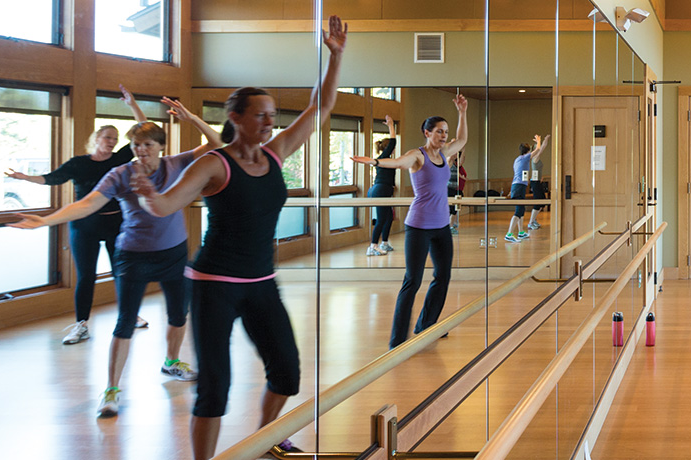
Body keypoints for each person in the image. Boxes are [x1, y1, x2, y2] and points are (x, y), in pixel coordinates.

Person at [130, 16, 345, 459]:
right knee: (215, 388)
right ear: (236, 118)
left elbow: (319, 110)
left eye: (272, 116)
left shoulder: (276, 151)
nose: (269, 122)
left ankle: (264, 442)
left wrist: (336, 56)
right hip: (213, 286)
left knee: (287, 372)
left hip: (260, 282)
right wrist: (148, 195)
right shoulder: (214, 163)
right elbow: (167, 205)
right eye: (260, 115)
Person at [9, 97, 223, 417]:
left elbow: (217, 144)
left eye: (148, 145)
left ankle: (171, 362)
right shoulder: (120, 174)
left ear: (160, 146)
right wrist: (47, 220)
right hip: (133, 256)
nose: (141, 151)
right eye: (136, 145)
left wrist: (192, 117)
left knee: (179, 315)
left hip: (174, 253)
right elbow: (87, 203)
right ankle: (111, 390)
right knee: (124, 323)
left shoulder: (176, 164)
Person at [7, 85, 144, 345]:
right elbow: (52, 178)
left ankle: (129, 316)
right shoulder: (78, 163)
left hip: (116, 223)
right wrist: (25, 178)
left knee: (122, 272)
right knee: (86, 276)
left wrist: (132, 105)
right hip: (85, 226)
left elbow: (144, 129)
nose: (112, 142)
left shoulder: (120, 160)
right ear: (96, 140)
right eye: (107, 138)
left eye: (115, 138)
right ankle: (81, 324)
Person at [354, 94, 471, 349]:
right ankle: (397, 341)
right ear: (427, 133)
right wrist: (374, 161)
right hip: (418, 226)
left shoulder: (445, 154)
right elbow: (397, 163)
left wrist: (462, 112)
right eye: (439, 131)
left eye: (445, 132)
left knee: (443, 277)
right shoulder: (417, 156)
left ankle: (426, 326)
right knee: (413, 280)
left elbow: (461, 140)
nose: (443, 136)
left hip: (441, 227)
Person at [504, 134, 549, 243]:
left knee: (521, 209)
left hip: (519, 186)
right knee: (518, 211)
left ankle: (520, 232)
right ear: (528, 151)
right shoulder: (524, 158)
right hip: (519, 186)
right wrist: (539, 141)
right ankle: (509, 233)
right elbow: (538, 149)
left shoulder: (517, 159)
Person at [368, 116, 398, 256]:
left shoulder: (387, 160)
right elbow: (393, 142)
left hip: (384, 190)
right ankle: (372, 247)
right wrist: (391, 126)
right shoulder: (383, 158)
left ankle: (384, 243)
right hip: (380, 190)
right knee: (381, 219)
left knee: (388, 218)